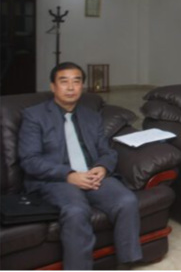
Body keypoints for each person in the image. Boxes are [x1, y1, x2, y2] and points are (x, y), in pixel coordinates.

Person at [18, 62, 141, 270]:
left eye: (76, 82)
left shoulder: (91, 116)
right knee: (75, 210)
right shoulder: (34, 116)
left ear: (82, 87)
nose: (70, 87)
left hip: (91, 174)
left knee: (126, 200)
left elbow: (107, 151)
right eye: (64, 81)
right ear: (53, 86)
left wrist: (102, 167)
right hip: (55, 179)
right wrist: (68, 174)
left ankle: (127, 263)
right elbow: (29, 159)